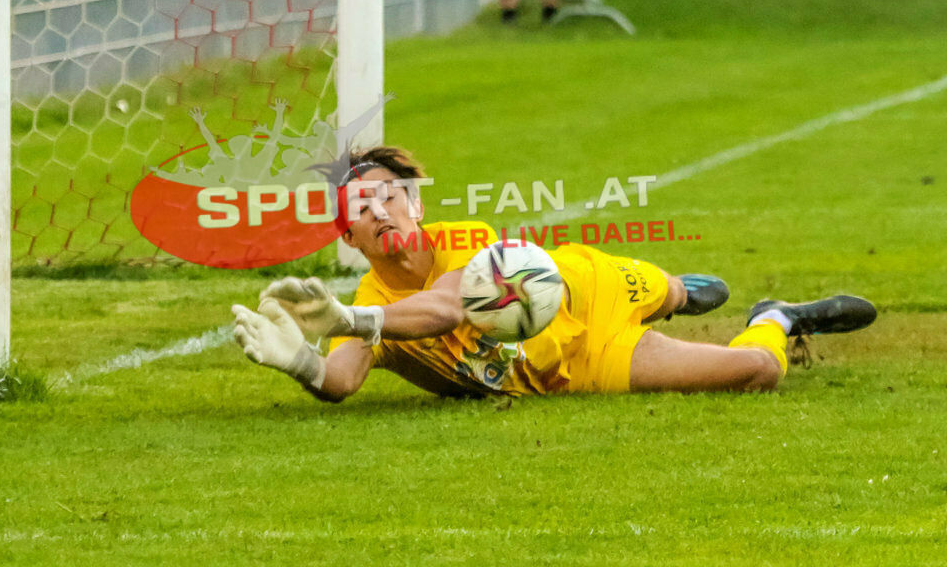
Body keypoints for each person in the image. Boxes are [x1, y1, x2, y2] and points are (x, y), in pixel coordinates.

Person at [232, 147, 877, 400]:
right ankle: (778, 317)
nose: (379, 212)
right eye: (361, 211)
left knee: (684, 291)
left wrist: (351, 320)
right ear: (347, 236)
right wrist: (305, 366)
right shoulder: (367, 305)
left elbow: (447, 309)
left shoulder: (466, 243)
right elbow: (343, 377)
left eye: (389, 196)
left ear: (416, 203)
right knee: (757, 372)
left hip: (583, 286)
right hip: (587, 359)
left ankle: (672, 293)